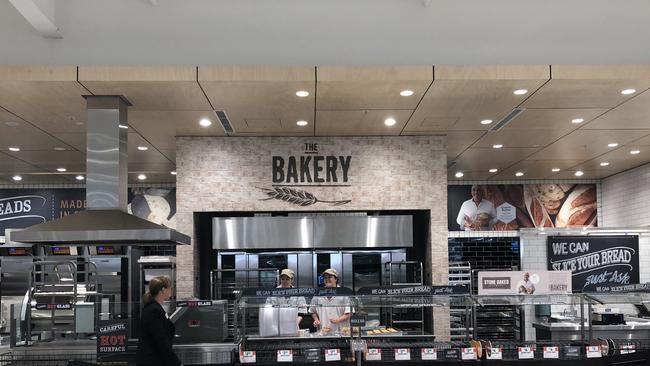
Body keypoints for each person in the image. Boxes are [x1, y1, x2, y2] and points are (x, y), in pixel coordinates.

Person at [136, 276, 182, 366]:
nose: (171, 290)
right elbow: (160, 339)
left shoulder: (155, 308)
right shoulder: (154, 310)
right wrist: (176, 362)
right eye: (170, 288)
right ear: (163, 290)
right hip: (152, 360)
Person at [309, 268, 351, 334]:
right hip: (323, 332)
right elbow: (312, 311)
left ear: (336, 279)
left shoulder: (343, 292)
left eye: (329, 277)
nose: (327, 279)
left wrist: (338, 320)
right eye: (325, 278)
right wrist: (316, 320)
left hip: (341, 332)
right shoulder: (318, 293)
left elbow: (349, 313)